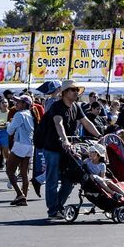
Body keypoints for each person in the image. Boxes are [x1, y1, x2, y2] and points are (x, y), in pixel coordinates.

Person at [41, 81, 103, 220]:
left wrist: (99, 136)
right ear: (64, 93)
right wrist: (65, 140)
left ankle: (58, 206)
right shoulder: (56, 106)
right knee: (52, 180)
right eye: (72, 89)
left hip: (68, 150)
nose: (76, 92)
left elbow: (86, 122)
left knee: (70, 180)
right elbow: (59, 123)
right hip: (53, 148)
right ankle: (53, 210)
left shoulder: (76, 106)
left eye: (77, 89)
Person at [7, 95, 35, 205]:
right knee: (24, 173)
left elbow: (9, 131)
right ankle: (23, 199)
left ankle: (20, 194)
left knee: (9, 171)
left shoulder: (19, 114)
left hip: (20, 144)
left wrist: (9, 123)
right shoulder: (31, 114)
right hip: (30, 145)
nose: (16, 103)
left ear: (24, 104)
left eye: (18, 102)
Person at [0, 97, 9, 180]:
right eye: (3, 102)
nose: (5, 104)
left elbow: (3, 125)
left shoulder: (10, 112)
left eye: (6, 102)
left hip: (5, 134)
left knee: (6, 154)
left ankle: (10, 171)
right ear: (0, 105)